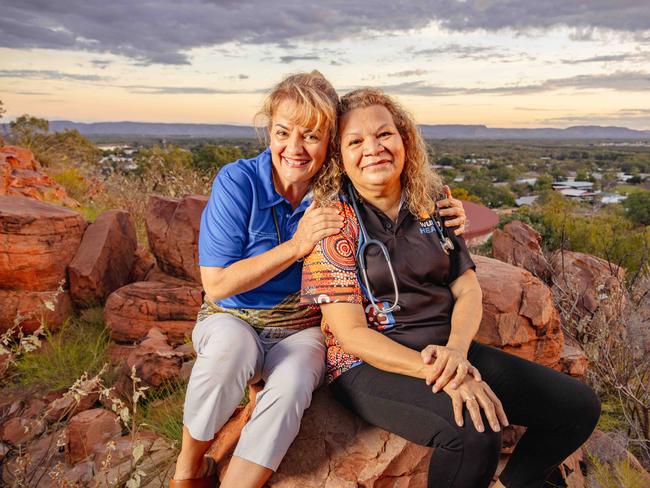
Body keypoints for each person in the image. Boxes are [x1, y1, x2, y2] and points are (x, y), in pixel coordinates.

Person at [171, 72, 469, 488]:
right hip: (233, 315)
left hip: (301, 326)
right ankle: (188, 468)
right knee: (230, 351)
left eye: (311, 136)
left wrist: (443, 210)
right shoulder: (239, 182)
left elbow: (392, 187)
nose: (294, 149)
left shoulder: (336, 188)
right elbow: (218, 285)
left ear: (329, 142)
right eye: (282, 132)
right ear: (268, 131)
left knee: (292, 385)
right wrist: (296, 246)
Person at [302, 88, 601, 488]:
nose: (373, 149)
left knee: (577, 407)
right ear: (340, 156)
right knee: (474, 432)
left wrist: (458, 352)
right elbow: (351, 334)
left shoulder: (433, 201)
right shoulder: (333, 222)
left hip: (449, 349)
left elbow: (467, 289)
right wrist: (448, 375)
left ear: (404, 139)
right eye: (355, 141)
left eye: (384, 135)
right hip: (369, 365)